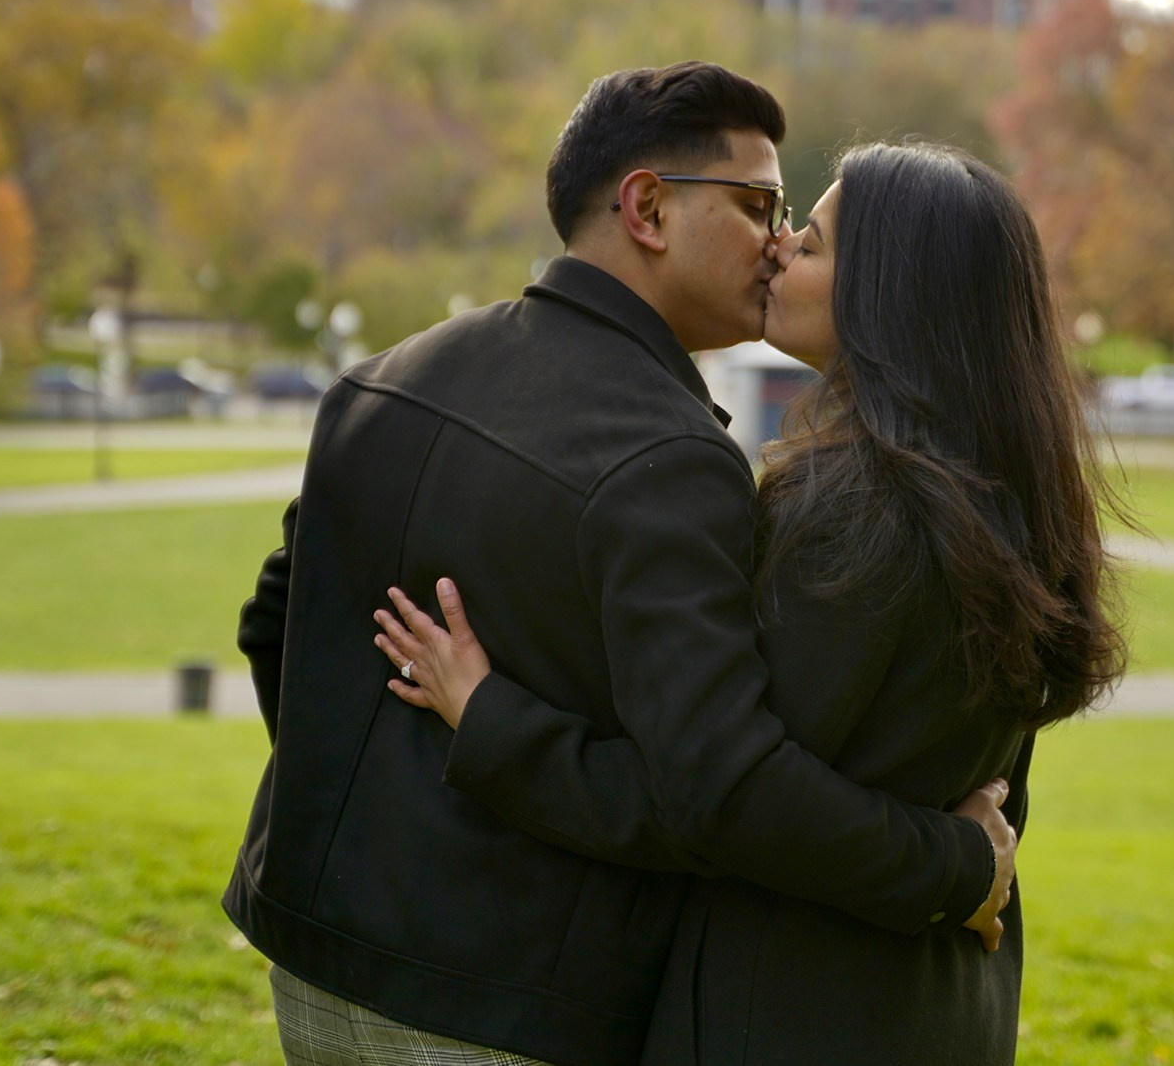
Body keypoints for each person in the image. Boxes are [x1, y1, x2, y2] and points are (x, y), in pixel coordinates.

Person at [223, 66, 1018, 1066]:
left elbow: (276, 627)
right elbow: (707, 793)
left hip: (303, 950)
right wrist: (949, 860)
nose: (776, 241)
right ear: (646, 205)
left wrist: (391, 809)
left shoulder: (384, 376)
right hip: (500, 999)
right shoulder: (673, 459)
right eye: (757, 205)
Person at [374, 142, 1127, 1065]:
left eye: (807, 243)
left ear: (881, 300)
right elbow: (992, 802)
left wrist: (490, 716)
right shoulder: (1013, 507)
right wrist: (962, 864)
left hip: (792, 1007)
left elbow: (719, 797)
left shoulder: (855, 514)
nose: (776, 251)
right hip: (946, 1002)